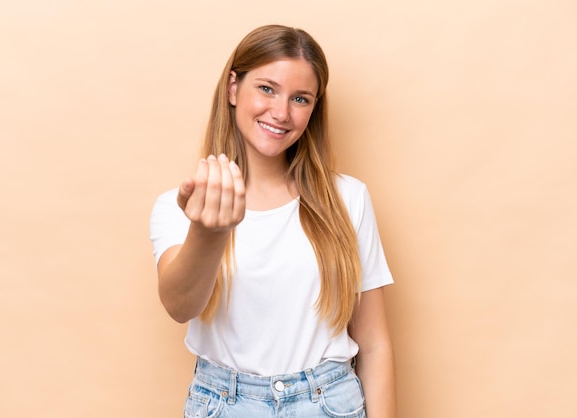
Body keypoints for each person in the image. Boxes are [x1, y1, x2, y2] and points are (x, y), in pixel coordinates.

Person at [150, 24, 396, 418]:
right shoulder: (181, 206)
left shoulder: (348, 199)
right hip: (225, 404)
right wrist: (209, 232)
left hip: (330, 403)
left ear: (314, 108)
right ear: (233, 88)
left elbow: (374, 344)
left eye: (300, 98)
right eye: (266, 88)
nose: (281, 113)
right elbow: (180, 305)